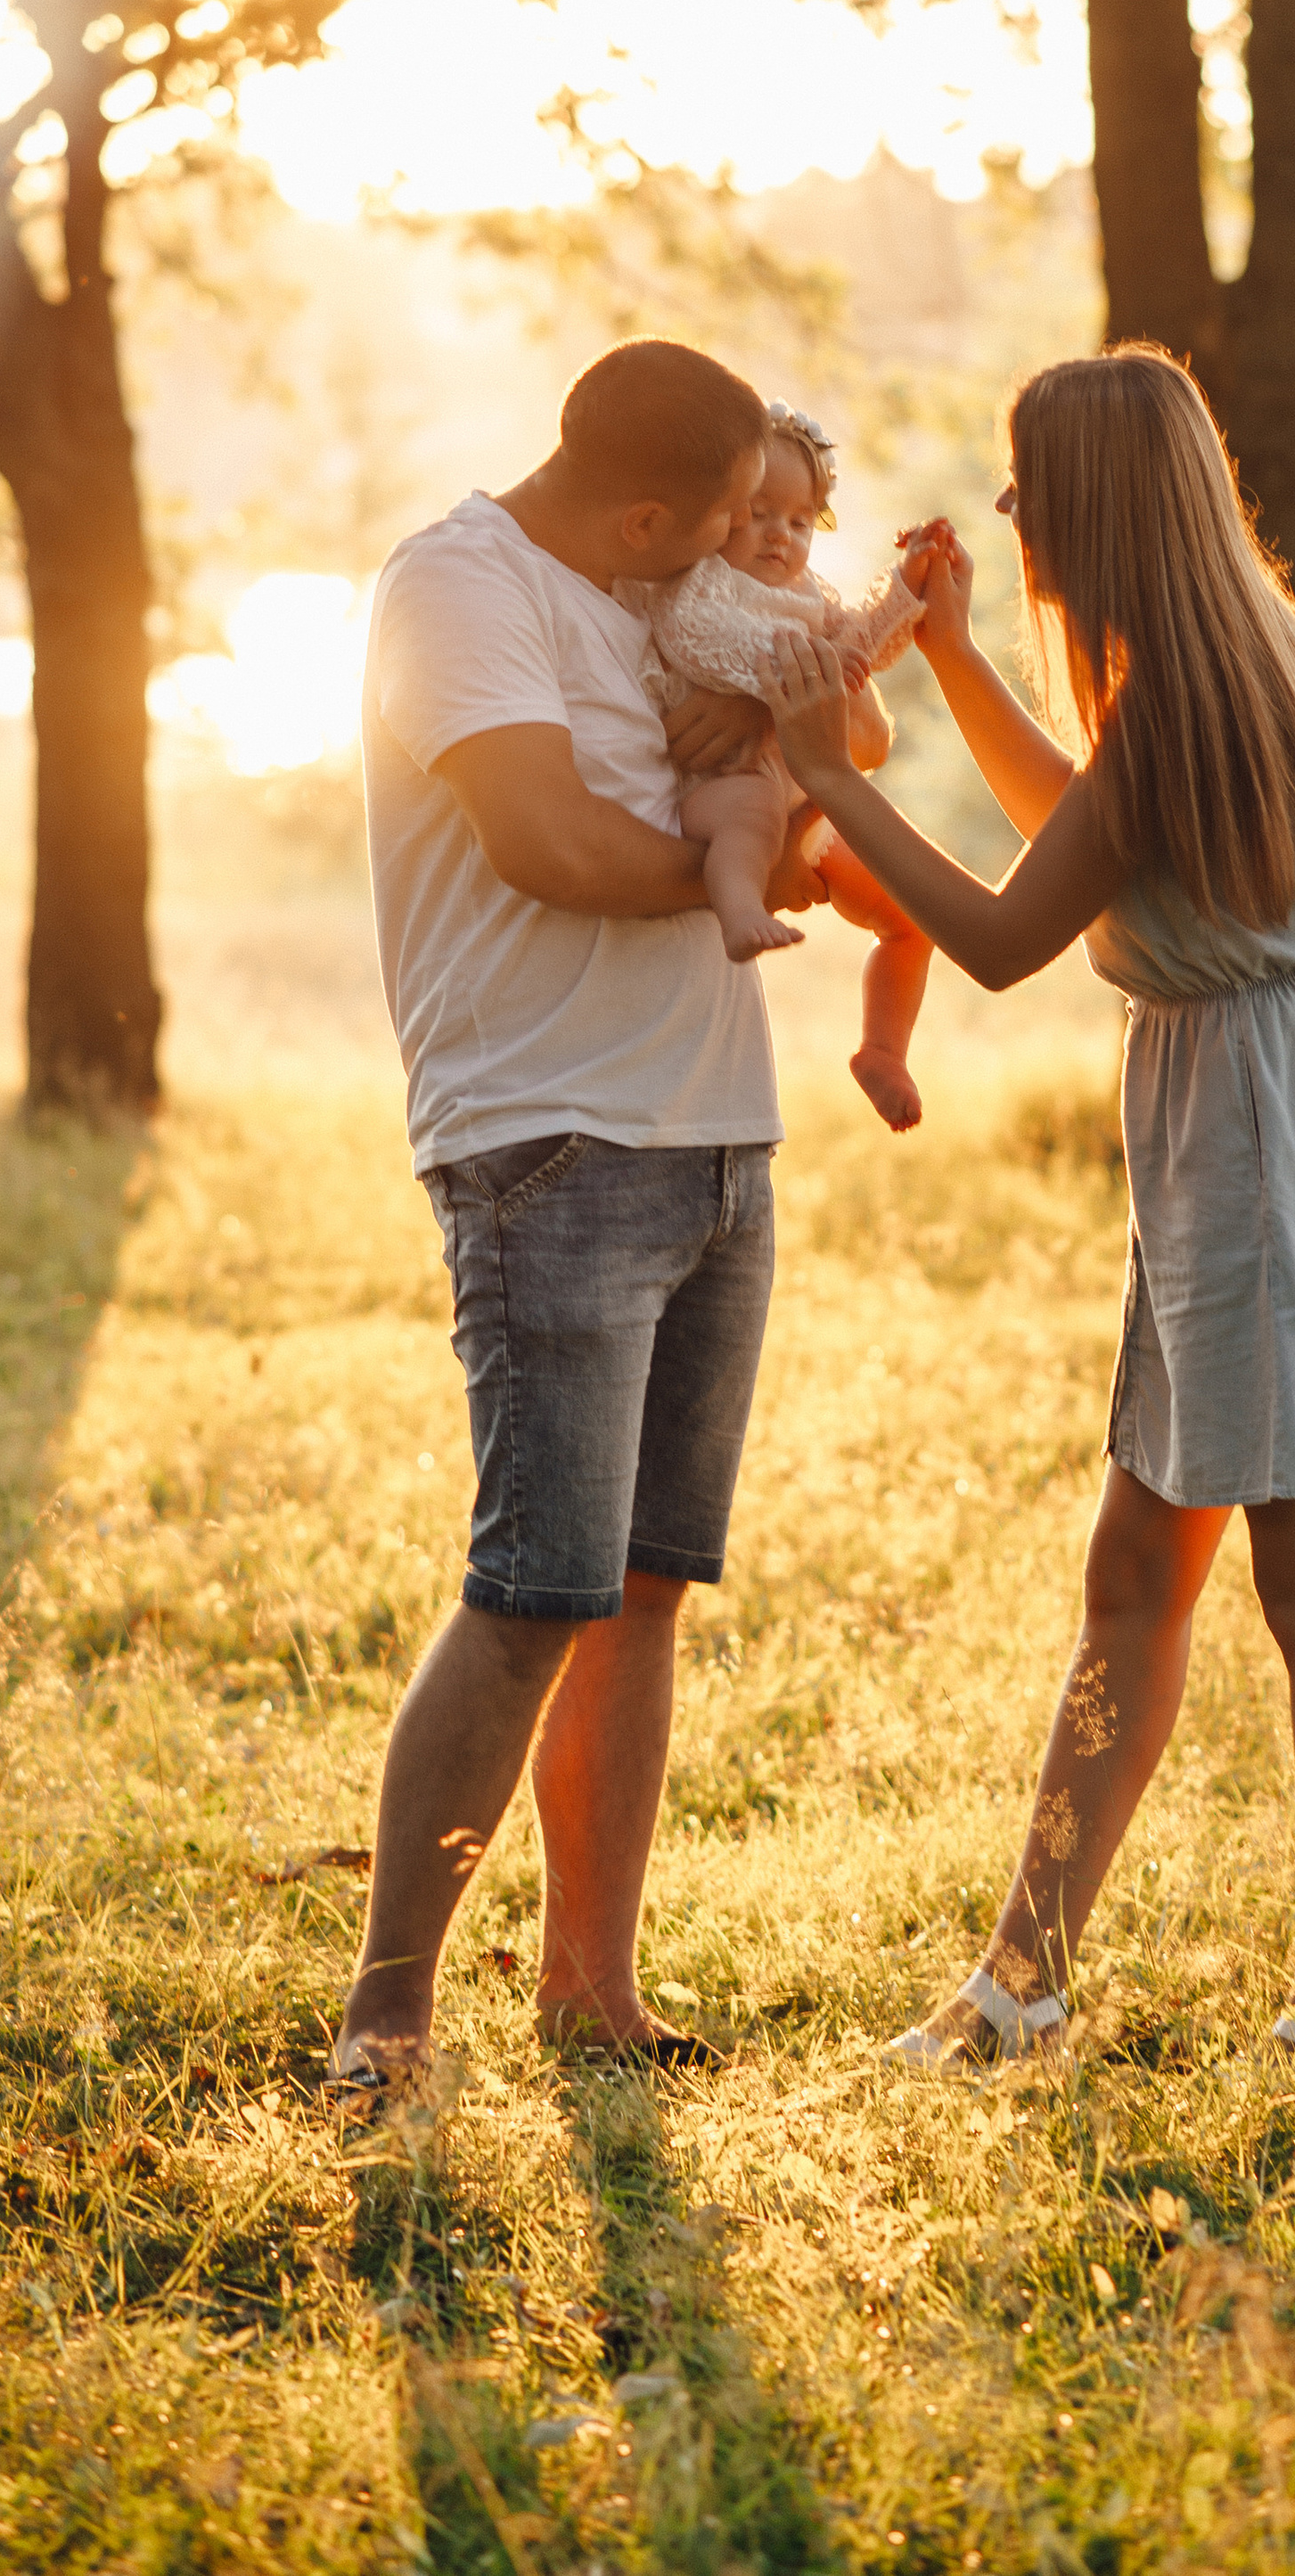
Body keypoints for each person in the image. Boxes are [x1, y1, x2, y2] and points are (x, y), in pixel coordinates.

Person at [760, 345, 1295, 2065]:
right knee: (1138, 1565)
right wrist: (957, 654)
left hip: (1278, 1143)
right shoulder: (1202, 670)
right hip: (1239, 1134)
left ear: (1099, 497)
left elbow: (999, 936)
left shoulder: (1195, 694)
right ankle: (1024, 1979)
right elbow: (1078, 829)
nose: (1003, 502)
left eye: (1025, 476)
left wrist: (829, 778)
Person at [330, 336, 819, 2091]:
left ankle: (589, 1991)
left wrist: (786, 787)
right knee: (533, 1588)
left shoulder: (668, 593)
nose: (730, 545)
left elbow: (830, 749)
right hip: (547, 1136)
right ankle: (386, 2018)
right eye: (707, 520)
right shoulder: (455, 592)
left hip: (711, 1131)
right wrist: (732, 866)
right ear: (636, 508)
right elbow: (541, 840)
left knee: (642, 1587)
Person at [631, 401, 938, 1130]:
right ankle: (740, 907)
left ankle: (883, 1050)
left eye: (800, 521)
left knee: (910, 913)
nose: (781, 534)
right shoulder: (702, 584)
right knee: (754, 814)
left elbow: (865, 649)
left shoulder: (807, 596)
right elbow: (699, 641)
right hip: (727, 786)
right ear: (720, 512)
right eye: (761, 512)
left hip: (811, 803)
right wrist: (803, 678)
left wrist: (910, 588)